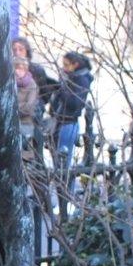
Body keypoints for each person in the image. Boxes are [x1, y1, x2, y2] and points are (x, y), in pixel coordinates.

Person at [49, 50, 94, 184]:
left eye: (67, 65)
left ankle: (67, 198)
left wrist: (61, 88)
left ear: (75, 65)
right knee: (58, 164)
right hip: (58, 121)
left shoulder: (81, 79)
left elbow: (75, 103)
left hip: (69, 123)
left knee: (65, 165)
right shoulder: (68, 77)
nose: (64, 67)